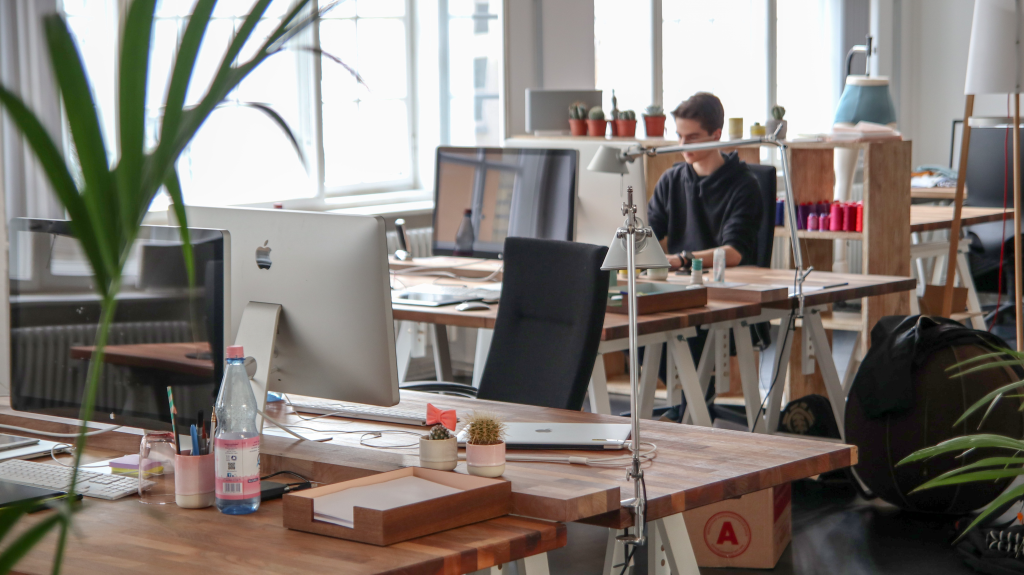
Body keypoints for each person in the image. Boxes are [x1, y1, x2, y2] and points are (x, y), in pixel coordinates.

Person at [647, 92, 763, 271]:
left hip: (728, 282)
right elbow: (648, 236)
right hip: (678, 282)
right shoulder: (670, 181)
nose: (683, 145)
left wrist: (682, 259)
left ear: (716, 135)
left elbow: (734, 252)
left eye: (692, 137)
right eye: (679, 136)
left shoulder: (745, 185)